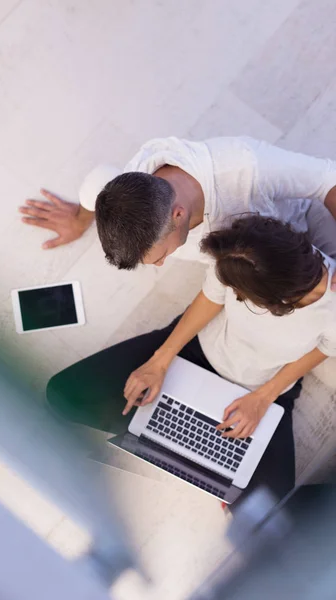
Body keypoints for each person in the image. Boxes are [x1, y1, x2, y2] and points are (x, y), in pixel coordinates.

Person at [46, 216, 336, 508]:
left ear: (278, 304)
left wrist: (264, 397)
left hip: (265, 389)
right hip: (196, 351)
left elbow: (325, 346)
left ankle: (175, 441)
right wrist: (160, 360)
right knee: (63, 395)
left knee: (266, 515)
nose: (234, 295)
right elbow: (210, 298)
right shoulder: (245, 251)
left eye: (242, 296)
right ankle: (173, 443)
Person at [20, 136, 336, 275]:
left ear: (179, 214)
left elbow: (327, 178)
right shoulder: (119, 186)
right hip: (250, 260)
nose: (159, 265)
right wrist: (79, 220)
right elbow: (94, 185)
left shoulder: (246, 167)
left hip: (303, 220)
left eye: (161, 256)